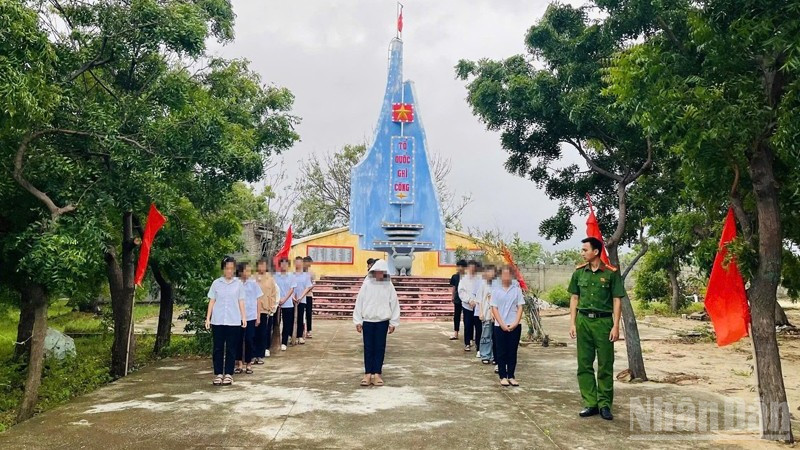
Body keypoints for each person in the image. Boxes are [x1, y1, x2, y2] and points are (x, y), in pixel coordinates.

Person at [568, 237, 624, 421]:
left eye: (585, 250)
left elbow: (617, 300)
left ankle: (605, 404)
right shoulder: (578, 273)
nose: (582, 253)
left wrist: (616, 325)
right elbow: (574, 298)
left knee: (605, 364)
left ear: (596, 252)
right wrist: (572, 323)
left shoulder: (610, 273)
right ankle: (590, 402)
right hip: (584, 321)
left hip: (603, 323)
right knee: (584, 364)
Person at [353, 259, 400, 387]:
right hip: (368, 321)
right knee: (368, 347)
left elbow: (394, 303)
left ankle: (377, 374)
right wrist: (358, 320)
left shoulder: (389, 285)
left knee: (380, 348)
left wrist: (393, 322)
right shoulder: (366, 284)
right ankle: (368, 374)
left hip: (382, 321)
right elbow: (359, 302)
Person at [205, 256, 247, 386]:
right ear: (223, 269)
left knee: (231, 348)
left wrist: (243, 317)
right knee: (218, 348)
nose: (229, 271)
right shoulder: (216, 283)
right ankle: (218, 374)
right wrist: (208, 318)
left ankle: (228, 374)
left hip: (233, 320)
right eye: (227, 268)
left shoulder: (238, 284)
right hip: (218, 321)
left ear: (234, 270)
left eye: (231, 269)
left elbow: (241, 301)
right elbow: (212, 300)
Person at [491, 265, 525, 387]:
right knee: (501, 352)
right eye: (503, 274)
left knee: (512, 351)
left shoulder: (516, 290)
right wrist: (502, 324)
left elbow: (520, 306)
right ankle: (502, 376)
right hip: (499, 325)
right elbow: (494, 308)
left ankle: (511, 375)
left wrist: (516, 322)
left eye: (508, 274)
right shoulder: (496, 290)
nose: (506, 277)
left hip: (514, 325)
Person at [234, 262, 262, 375]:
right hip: (238, 316)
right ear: (241, 272)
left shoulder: (253, 284)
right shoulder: (235, 283)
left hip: (251, 316)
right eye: (247, 270)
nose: (249, 273)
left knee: (250, 340)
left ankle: (249, 363)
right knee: (238, 340)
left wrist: (258, 316)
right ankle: (239, 363)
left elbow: (258, 299)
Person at [254, 258, 280, 361]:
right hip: (253, 310)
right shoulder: (253, 278)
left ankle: (260, 354)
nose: (262, 268)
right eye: (260, 265)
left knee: (263, 332)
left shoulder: (270, 279)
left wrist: (272, 306)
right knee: (253, 334)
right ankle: (252, 355)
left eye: (264, 265)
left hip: (265, 310)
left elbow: (274, 294)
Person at [458, 260, 482, 352]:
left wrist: (476, 301)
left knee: (478, 326)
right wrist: (469, 300)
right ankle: (467, 343)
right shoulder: (464, 279)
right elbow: (461, 292)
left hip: (478, 306)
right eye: (470, 267)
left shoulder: (480, 279)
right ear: (468, 268)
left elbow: (481, 291)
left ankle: (478, 345)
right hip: (467, 305)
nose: (472, 269)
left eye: (474, 267)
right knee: (468, 325)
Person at [274, 257, 296, 351]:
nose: (284, 265)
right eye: (282, 264)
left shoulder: (291, 276)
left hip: (287, 302)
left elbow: (292, 289)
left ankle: (284, 342)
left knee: (287, 323)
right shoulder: (275, 276)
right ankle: (274, 342)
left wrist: (284, 299)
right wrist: (278, 299)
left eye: (286, 264)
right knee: (275, 323)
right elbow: (273, 288)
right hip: (276, 303)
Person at [477, 264, 497, 364]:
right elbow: (479, 300)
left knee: (496, 336)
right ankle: (485, 355)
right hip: (486, 313)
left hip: (497, 316)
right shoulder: (483, 285)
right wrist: (481, 312)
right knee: (486, 335)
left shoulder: (497, 285)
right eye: (489, 271)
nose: (491, 274)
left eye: (492, 272)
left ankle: (495, 356)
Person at [293, 256, 312, 344]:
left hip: (302, 299)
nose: (298, 264)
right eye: (297, 262)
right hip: (291, 300)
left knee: (300, 318)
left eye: (300, 262)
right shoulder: (291, 275)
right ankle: (291, 335)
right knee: (291, 318)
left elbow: (308, 287)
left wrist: (301, 297)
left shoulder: (306, 276)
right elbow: (290, 287)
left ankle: (300, 336)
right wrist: (292, 296)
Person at [449, 260, 467, 341]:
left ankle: (469, 335)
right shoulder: (455, 276)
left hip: (467, 300)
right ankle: (456, 333)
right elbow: (454, 288)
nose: (460, 268)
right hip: (457, 299)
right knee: (457, 316)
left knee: (468, 317)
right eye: (458, 266)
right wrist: (452, 296)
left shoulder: (468, 277)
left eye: (462, 266)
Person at [303, 256, 316, 338]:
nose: (310, 265)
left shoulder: (311, 273)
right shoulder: (298, 272)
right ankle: (300, 331)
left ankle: (309, 330)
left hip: (308, 295)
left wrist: (308, 289)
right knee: (300, 314)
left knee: (308, 313)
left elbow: (313, 284)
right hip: (300, 296)